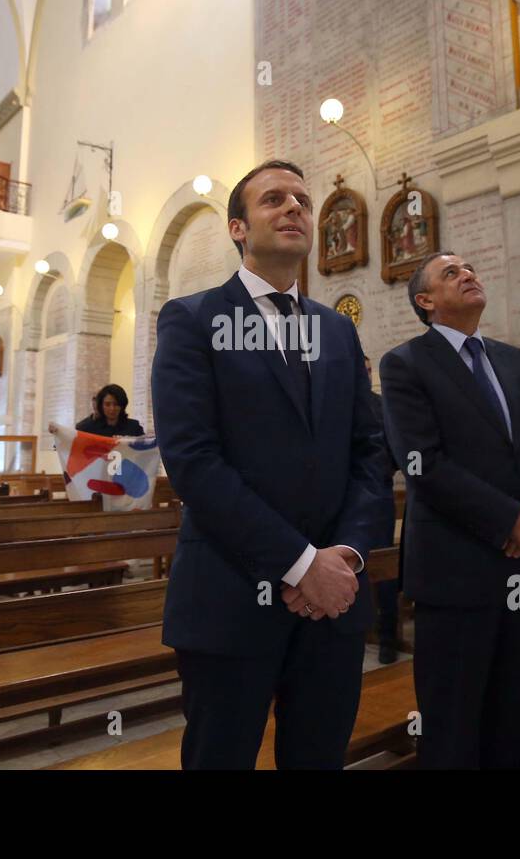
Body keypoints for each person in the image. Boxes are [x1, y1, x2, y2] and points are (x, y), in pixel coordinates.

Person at [151, 159, 393, 770]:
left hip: (333, 602)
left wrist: (348, 556)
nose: (294, 209)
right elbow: (194, 461)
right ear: (237, 228)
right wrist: (299, 563)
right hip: (232, 596)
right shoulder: (194, 319)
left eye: (302, 202)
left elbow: (369, 451)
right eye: (273, 200)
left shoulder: (336, 331)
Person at [380, 252, 520, 769]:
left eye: (470, 269)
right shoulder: (405, 363)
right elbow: (423, 462)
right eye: (451, 273)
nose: (468, 275)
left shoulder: (514, 360)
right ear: (426, 301)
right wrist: (511, 520)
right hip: (456, 568)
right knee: (455, 721)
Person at [365, 355, 401, 664]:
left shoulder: (382, 405)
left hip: (378, 496)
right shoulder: (331, 401)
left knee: (384, 568)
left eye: (367, 369)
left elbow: (398, 447)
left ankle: (388, 636)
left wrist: (382, 471)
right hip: (339, 498)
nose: (363, 374)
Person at [75, 384, 145, 437]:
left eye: (116, 404)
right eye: (107, 404)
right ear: (101, 405)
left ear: (122, 405)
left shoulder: (134, 428)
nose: (112, 408)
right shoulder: (85, 429)